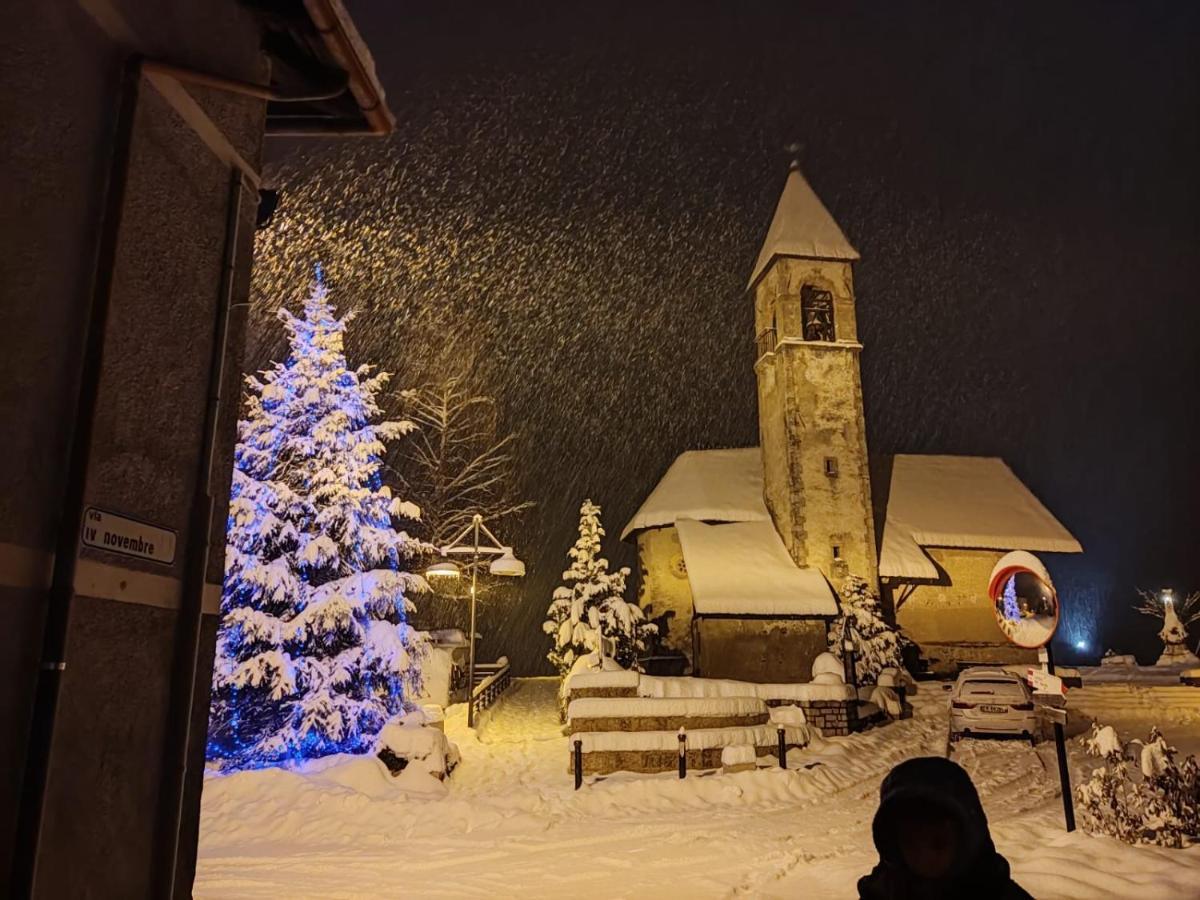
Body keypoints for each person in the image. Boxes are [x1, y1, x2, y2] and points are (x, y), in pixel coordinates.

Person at [858, 756, 1033, 900]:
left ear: (965, 837)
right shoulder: (883, 893)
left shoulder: (996, 893)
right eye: (910, 843)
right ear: (893, 844)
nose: (925, 858)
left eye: (938, 843)